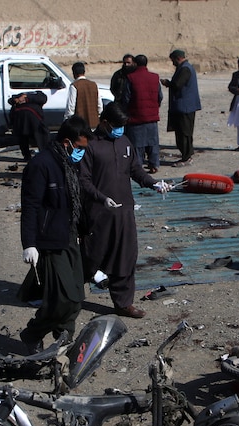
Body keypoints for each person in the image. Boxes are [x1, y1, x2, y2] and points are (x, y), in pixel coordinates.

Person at [79, 103, 171, 319]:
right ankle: (68, 294)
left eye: (123, 126)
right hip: (98, 214)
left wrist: (153, 183)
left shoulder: (124, 142)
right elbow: (83, 180)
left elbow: (135, 170)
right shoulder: (90, 145)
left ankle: (123, 303)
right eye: (116, 126)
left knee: (125, 256)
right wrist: (102, 198)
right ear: (104, 123)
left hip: (124, 213)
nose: (120, 130)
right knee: (91, 257)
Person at [17, 116, 93, 354]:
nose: (81, 153)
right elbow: (30, 206)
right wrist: (29, 243)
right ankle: (33, 333)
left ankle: (65, 336)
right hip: (49, 241)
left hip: (70, 236)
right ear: (67, 142)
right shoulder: (42, 165)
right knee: (62, 299)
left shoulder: (69, 164)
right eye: (79, 148)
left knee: (77, 297)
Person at [121, 54, 163, 173]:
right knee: (153, 143)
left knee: (137, 145)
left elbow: (126, 98)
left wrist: (126, 112)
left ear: (135, 63)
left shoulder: (131, 78)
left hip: (135, 117)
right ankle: (154, 164)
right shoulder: (155, 77)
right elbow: (160, 96)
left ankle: (138, 167)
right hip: (152, 117)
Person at [161, 49, 201, 167]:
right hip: (183, 107)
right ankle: (186, 155)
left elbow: (178, 84)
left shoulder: (185, 69)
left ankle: (186, 157)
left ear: (178, 58)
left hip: (185, 107)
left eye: (173, 60)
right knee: (182, 132)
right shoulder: (185, 67)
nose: (172, 63)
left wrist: (167, 83)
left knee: (184, 133)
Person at [8, 90, 50, 162]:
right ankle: (41, 155)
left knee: (31, 136)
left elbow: (43, 99)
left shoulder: (37, 95)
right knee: (39, 135)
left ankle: (37, 155)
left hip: (28, 116)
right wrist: (17, 100)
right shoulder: (20, 95)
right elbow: (11, 100)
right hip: (28, 116)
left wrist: (26, 98)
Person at [64, 61, 102, 129]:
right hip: (94, 124)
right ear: (84, 72)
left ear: (74, 73)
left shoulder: (74, 86)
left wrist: (67, 121)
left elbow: (71, 107)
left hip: (80, 125)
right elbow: (100, 106)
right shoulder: (94, 85)